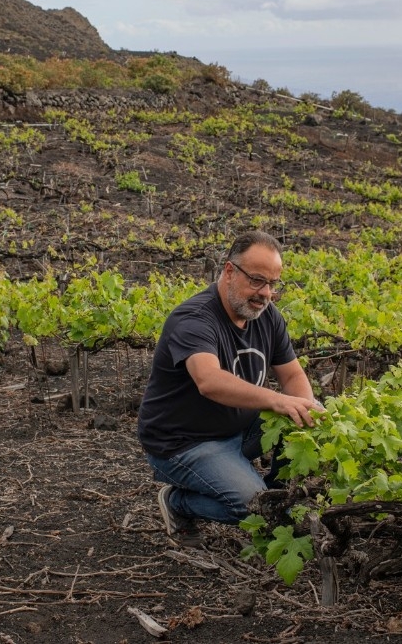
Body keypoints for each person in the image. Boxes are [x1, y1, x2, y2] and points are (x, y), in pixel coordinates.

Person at [137, 230, 321, 544]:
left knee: (299, 417)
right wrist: (277, 400)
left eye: (273, 284)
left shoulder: (268, 317)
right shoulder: (194, 318)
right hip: (184, 444)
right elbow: (209, 381)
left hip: (238, 430)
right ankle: (178, 503)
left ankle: (278, 499)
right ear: (229, 271)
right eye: (257, 280)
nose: (265, 293)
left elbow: (292, 376)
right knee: (255, 509)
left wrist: (305, 409)